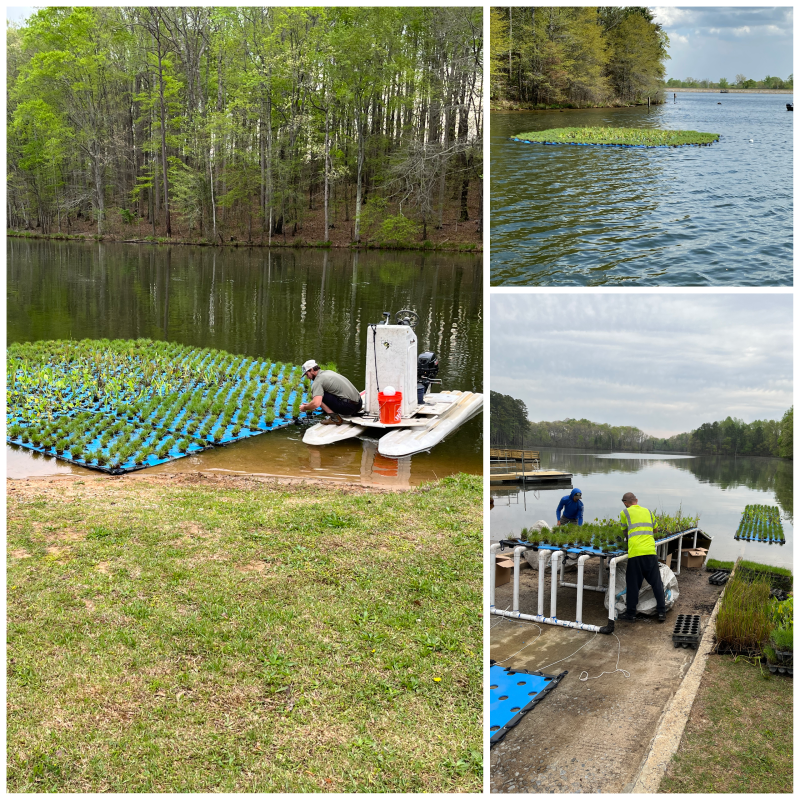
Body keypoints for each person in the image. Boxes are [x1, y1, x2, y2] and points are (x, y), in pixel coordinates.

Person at [617, 492, 666, 623]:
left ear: (625, 503)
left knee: (633, 585)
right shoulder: (648, 512)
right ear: (636, 500)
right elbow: (655, 530)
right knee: (656, 583)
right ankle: (662, 612)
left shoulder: (624, 513)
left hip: (636, 553)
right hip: (650, 552)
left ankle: (631, 614)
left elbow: (625, 531)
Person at [299, 360, 362, 425]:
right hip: (359, 404)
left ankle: (335, 418)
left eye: (307, 374)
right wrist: (310, 404)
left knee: (315, 394)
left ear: (311, 370)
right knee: (319, 394)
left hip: (348, 408)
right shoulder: (328, 372)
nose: (307, 377)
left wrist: (305, 408)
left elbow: (316, 404)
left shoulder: (318, 381)